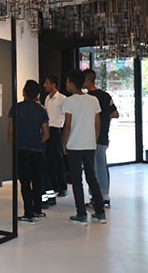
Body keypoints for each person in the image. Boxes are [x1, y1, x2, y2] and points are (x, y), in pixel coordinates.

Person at [61, 69, 107, 225]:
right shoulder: (93, 100)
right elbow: (97, 124)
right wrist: (93, 139)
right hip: (89, 145)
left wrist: (64, 142)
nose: (66, 85)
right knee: (91, 177)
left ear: (72, 83)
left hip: (74, 145)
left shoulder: (69, 101)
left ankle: (81, 214)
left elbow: (67, 125)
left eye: (67, 82)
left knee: (77, 180)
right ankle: (100, 212)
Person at [8, 79, 50, 222]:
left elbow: (10, 132)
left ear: (24, 92)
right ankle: (38, 209)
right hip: (37, 150)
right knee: (37, 181)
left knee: (25, 182)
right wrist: (38, 142)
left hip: (21, 150)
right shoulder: (41, 110)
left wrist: (15, 145)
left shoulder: (16, 108)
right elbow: (46, 134)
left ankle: (28, 213)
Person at [83, 69, 119, 208]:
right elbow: (115, 114)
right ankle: (104, 195)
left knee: (93, 167)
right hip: (103, 135)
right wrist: (104, 119)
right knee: (101, 164)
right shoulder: (105, 96)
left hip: (90, 136)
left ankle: (98, 196)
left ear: (87, 80)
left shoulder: (87, 98)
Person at [43, 75, 68, 199]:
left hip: (57, 130)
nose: (44, 85)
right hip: (47, 129)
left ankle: (63, 186)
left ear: (53, 85)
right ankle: (53, 185)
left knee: (57, 160)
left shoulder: (62, 99)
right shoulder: (47, 98)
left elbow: (67, 116)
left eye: (47, 83)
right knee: (48, 160)